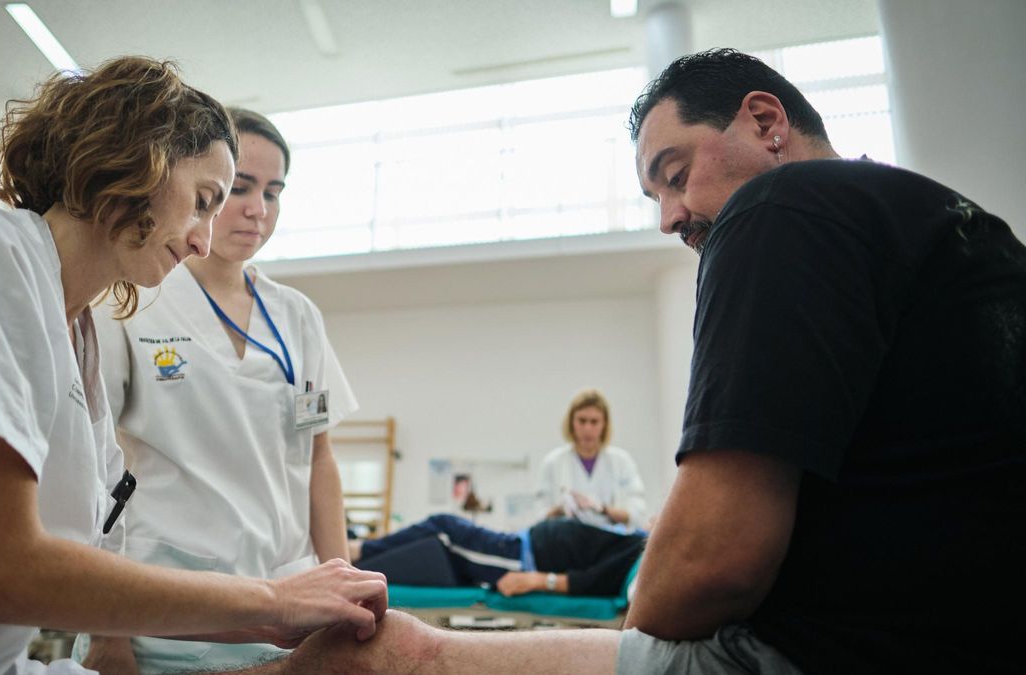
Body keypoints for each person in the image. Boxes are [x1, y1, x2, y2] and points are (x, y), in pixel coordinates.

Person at [209, 46, 1026, 675]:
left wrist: (624, 625)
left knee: (389, 654)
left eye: (675, 176)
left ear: (766, 121)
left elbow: (708, 559)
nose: (671, 216)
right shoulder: (957, 227)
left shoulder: (781, 207)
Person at [0, 58, 386, 675]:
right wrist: (274, 601)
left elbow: (74, 566)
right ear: (138, 158)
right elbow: (3, 572)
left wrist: (289, 613)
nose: (204, 239)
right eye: (203, 201)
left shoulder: (78, 337)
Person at [77, 108, 359, 674]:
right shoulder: (134, 296)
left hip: (290, 606)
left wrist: (346, 591)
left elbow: (319, 459)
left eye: (274, 193)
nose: (259, 210)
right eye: (240, 188)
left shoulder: (297, 316)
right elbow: (93, 471)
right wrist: (108, 633)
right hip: (168, 610)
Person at [352, 514, 645, 598]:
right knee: (444, 548)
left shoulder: (641, 548)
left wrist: (534, 581)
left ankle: (359, 551)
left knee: (446, 529)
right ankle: (362, 559)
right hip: (522, 545)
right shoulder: (638, 540)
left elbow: (594, 581)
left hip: (521, 559)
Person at [537, 388, 648, 530]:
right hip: (566, 544)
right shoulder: (552, 463)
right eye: (582, 421)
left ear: (604, 424)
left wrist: (602, 508)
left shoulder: (622, 462)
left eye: (594, 422)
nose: (587, 428)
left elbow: (637, 515)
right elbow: (539, 519)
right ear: (572, 423)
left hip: (611, 544)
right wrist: (562, 508)